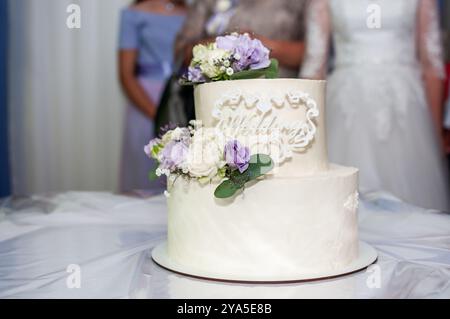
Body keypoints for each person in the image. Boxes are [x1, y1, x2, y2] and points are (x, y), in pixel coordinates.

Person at [301, 0, 449, 211]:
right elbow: (314, 66)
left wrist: (434, 138)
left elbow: (432, 65)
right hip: (346, 109)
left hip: (406, 111)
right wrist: (306, 136)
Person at [118, 0, 186, 193]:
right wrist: (158, 115)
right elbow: (125, 75)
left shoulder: (194, 13)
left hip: (181, 98)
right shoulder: (133, 14)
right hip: (145, 101)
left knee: (183, 172)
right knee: (146, 170)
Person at [175, 0, 310, 78]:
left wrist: (257, 47)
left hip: (280, 97)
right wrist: (228, 44)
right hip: (218, 100)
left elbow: (314, 53)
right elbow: (183, 53)